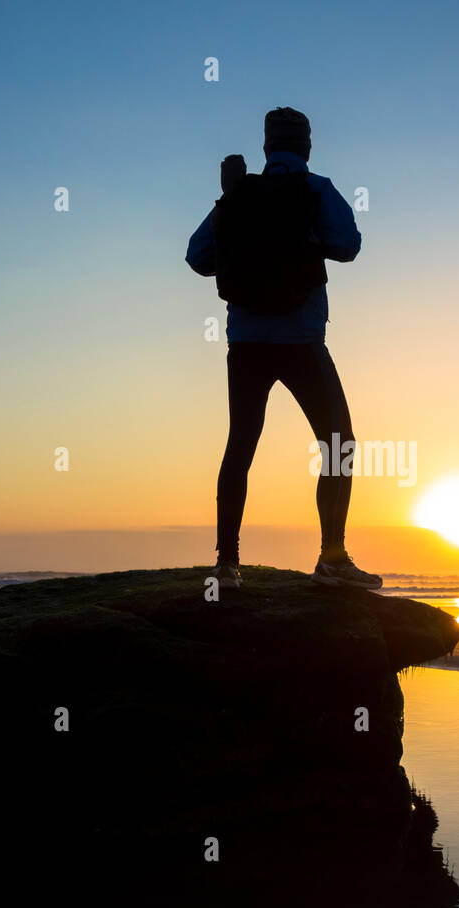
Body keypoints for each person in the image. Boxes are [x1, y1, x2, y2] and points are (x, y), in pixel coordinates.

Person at [186, 107, 382, 591]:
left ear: (267, 148)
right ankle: (332, 558)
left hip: (246, 344)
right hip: (301, 342)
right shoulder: (316, 190)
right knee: (338, 443)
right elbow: (350, 245)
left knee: (241, 446)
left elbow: (196, 256)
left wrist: (245, 254)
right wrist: (303, 241)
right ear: (307, 146)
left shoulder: (238, 196)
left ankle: (227, 564)